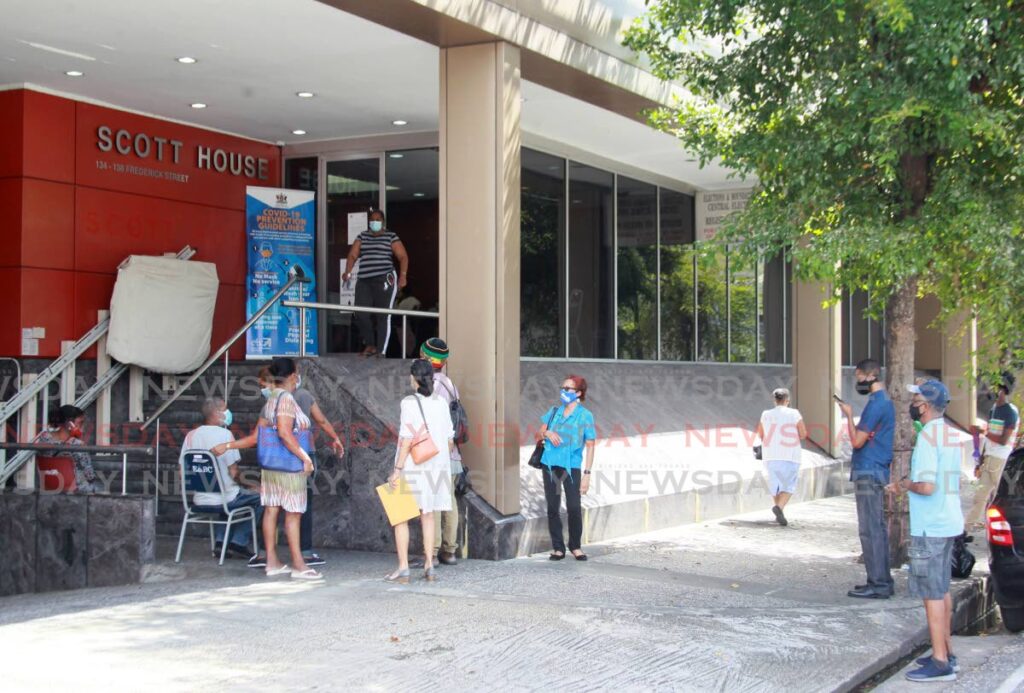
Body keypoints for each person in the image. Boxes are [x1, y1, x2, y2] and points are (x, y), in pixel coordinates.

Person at [889, 379, 963, 682]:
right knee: (942, 590)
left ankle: (940, 661)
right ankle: (947, 651)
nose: (913, 404)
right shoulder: (948, 433)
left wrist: (903, 485)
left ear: (927, 406)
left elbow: (928, 486)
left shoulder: (929, 438)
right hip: (947, 522)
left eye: (917, 399)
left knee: (931, 594)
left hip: (929, 526)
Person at [221, 357, 321, 580]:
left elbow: (256, 437)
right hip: (289, 466)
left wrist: (227, 445)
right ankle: (298, 565)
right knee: (293, 515)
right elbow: (285, 433)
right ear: (293, 375)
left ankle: (272, 562)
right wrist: (305, 457)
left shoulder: (270, 401)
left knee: (271, 511)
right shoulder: (285, 399)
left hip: (271, 467)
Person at [385, 359, 455, 584]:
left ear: (414, 378)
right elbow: (449, 440)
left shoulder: (409, 402)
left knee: (401, 517)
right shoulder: (441, 403)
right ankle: (429, 565)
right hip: (437, 467)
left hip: (414, 466)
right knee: (428, 514)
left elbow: (406, 438)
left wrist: (397, 470)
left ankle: (404, 567)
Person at [837, 358, 896, 599]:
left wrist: (848, 416)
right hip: (875, 469)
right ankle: (880, 580)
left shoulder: (876, 404)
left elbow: (857, 441)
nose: (857, 381)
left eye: (858, 377)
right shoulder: (884, 402)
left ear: (869, 375)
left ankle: (879, 584)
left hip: (868, 471)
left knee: (870, 529)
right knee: (876, 528)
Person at [182, 397, 261, 558]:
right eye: (225, 409)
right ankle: (238, 543)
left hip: (199, 500)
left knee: (226, 493)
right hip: (225, 499)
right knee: (262, 497)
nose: (228, 413)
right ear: (217, 414)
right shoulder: (225, 435)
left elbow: (182, 470)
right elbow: (234, 472)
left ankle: (220, 543)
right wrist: (250, 487)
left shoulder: (191, 436)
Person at [538, 375, 597, 561]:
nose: (563, 391)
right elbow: (540, 431)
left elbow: (590, 445)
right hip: (550, 464)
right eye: (562, 387)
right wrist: (547, 432)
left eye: (568, 389)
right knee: (553, 507)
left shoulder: (585, 415)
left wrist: (587, 474)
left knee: (573, 506)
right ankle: (558, 547)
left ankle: (575, 546)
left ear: (578, 393)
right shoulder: (554, 411)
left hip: (571, 467)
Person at [342, 209, 410, 358]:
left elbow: (403, 256)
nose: (375, 222)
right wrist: (347, 272)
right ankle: (371, 345)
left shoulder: (391, 236)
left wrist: (403, 276)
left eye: (378, 220)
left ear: (383, 222)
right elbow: (353, 255)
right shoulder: (362, 236)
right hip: (364, 280)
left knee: (383, 315)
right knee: (360, 313)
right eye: (372, 220)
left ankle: (381, 351)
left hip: (384, 278)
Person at [421, 338, 463, 566]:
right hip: (453, 452)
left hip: (437, 454)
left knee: (435, 502)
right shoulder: (449, 384)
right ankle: (450, 551)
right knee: (450, 502)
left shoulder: (431, 386)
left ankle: (433, 551)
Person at [966, 373, 1019, 530]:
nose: (991, 390)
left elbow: (1003, 440)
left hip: (1001, 460)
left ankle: (1010, 527)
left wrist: (982, 432)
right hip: (990, 458)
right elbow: (990, 438)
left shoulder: (1010, 412)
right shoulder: (994, 409)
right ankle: (969, 525)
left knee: (1004, 497)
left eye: (995, 386)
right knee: (980, 496)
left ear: (1003, 389)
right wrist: (980, 461)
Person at [756, 388, 807, 526]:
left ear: (774, 400)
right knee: (789, 485)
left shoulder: (765, 414)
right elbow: (803, 434)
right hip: (790, 455)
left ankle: (779, 512)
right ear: (787, 400)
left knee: (775, 485)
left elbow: (761, 434)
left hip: (770, 455)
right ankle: (779, 508)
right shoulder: (794, 413)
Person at [34, 404, 98, 493]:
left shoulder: (44, 438)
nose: (82, 428)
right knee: (100, 487)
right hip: (75, 489)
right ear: (69, 423)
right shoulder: (78, 445)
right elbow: (90, 476)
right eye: (80, 423)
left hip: (48, 486)